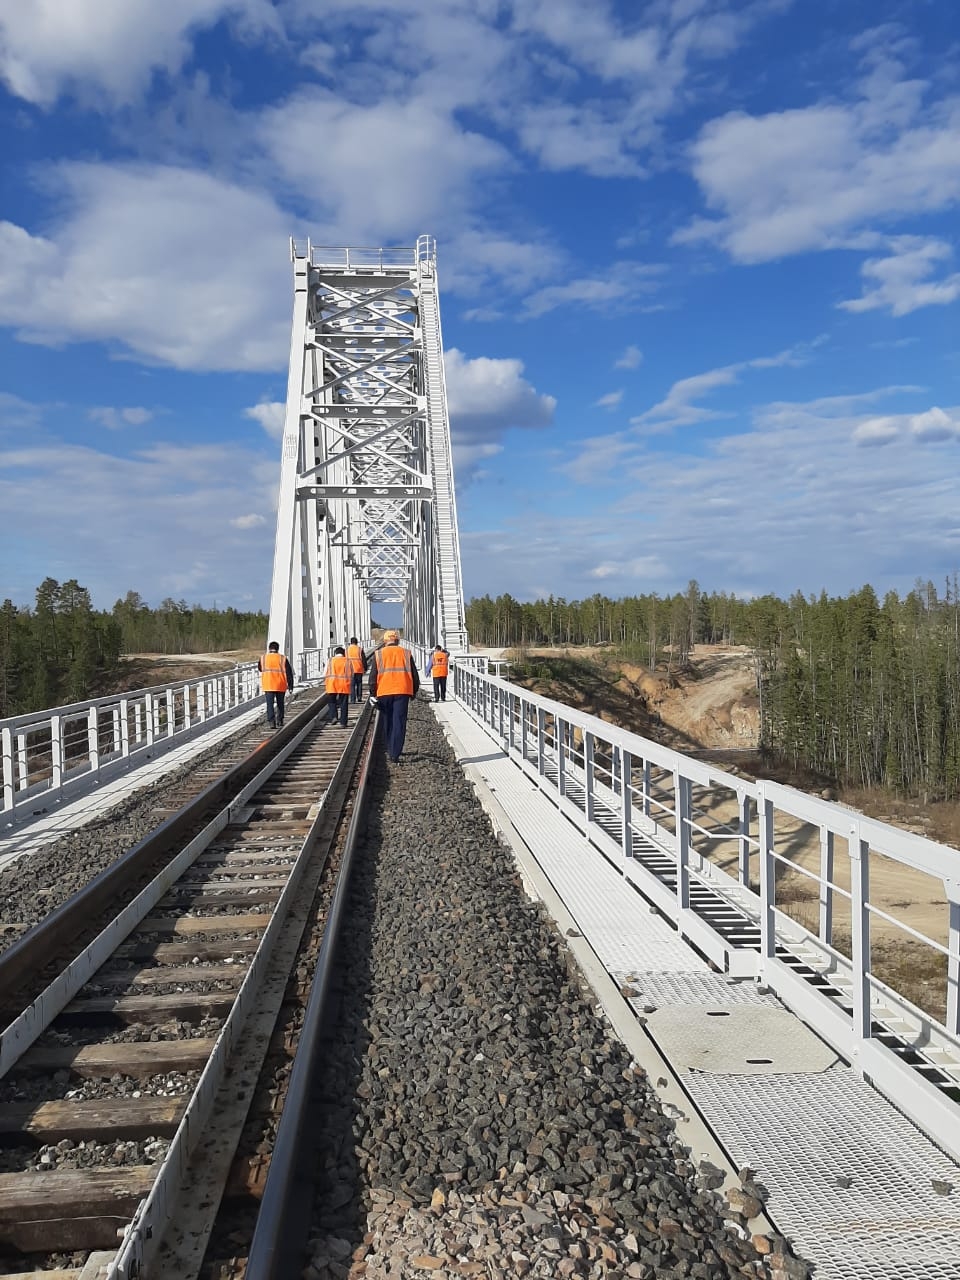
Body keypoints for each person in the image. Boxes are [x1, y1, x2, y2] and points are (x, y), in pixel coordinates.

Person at [369, 629, 419, 764]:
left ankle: (390, 747)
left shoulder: (378, 654)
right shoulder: (406, 653)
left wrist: (373, 693)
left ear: (385, 641)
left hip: (384, 692)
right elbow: (414, 675)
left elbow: (373, 676)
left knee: (388, 721)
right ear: (397, 641)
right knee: (399, 722)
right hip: (402, 692)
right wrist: (414, 691)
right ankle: (395, 752)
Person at [259, 641, 294, 729]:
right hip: (280, 684)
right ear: (278, 649)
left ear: (269, 648)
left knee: (269, 704)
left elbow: (260, 668)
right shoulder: (282, 658)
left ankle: (271, 722)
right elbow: (289, 673)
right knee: (280, 703)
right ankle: (280, 720)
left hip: (268, 684)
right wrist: (290, 686)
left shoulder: (263, 658)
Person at [324, 645, 352, 727]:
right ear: (344, 654)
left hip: (332, 684)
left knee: (331, 701)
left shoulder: (330, 661)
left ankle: (333, 717)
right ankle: (343, 722)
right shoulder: (348, 661)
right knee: (344, 703)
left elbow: (325, 673)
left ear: (335, 653)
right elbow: (352, 673)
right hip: (344, 685)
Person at [347, 636, 367, 703]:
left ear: (351, 642)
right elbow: (364, 660)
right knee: (359, 684)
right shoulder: (359, 649)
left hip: (350, 669)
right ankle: (359, 698)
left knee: (352, 685)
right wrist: (365, 668)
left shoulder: (347, 649)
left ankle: (352, 699)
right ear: (357, 642)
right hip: (359, 669)